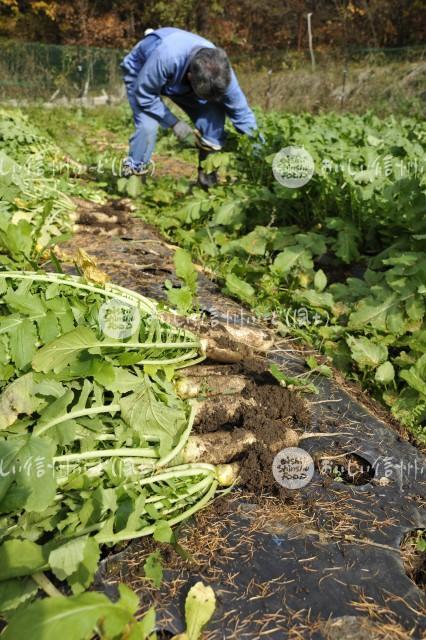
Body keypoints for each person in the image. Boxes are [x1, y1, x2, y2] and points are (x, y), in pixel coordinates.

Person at [120, 27, 258, 188]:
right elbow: (145, 94)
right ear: (190, 77)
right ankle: (133, 177)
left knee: (213, 120)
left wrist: (261, 156)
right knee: (147, 126)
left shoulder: (221, 73)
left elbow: (243, 114)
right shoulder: (167, 56)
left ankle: (207, 181)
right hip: (142, 71)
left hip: (182, 81)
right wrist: (174, 123)